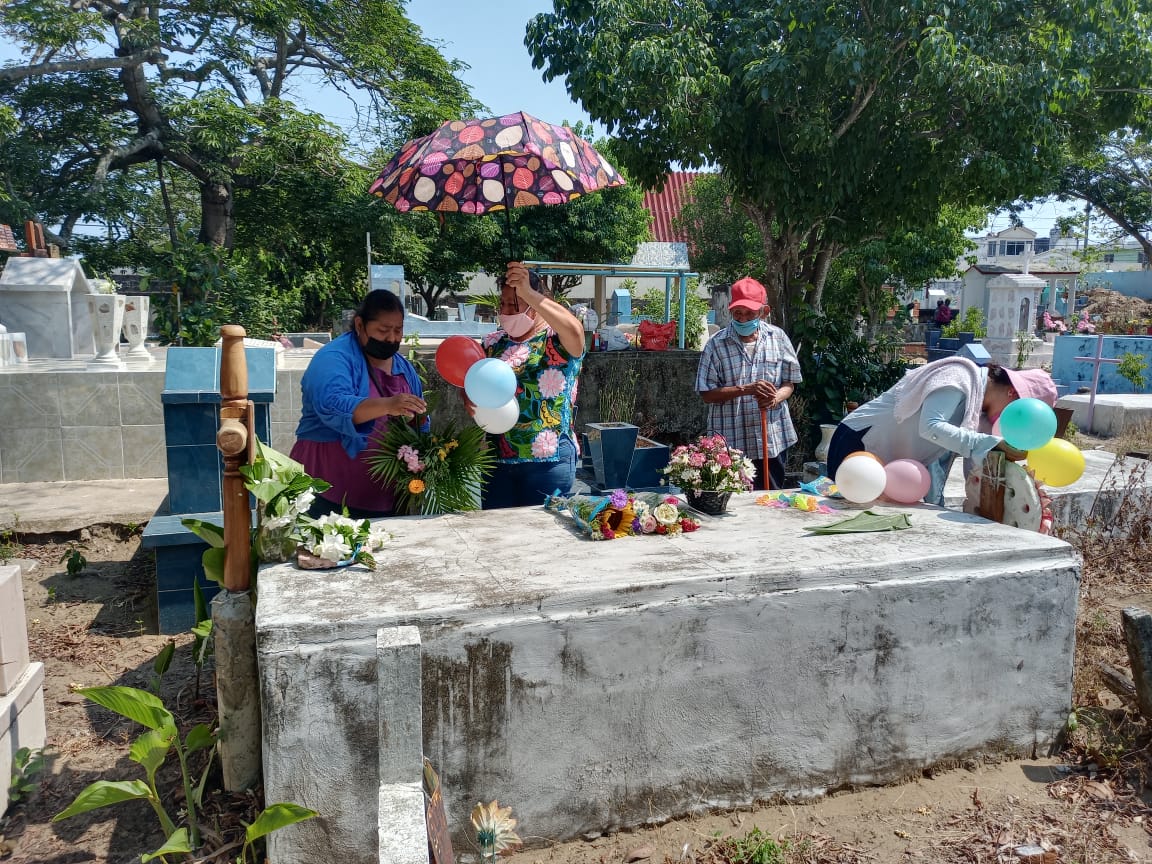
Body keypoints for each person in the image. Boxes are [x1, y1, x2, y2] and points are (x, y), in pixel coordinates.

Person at [826, 358, 1057, 506]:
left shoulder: (980, 412)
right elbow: (931, 426)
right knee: (846, 511)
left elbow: (975, 462)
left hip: (891, 463)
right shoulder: (958, 375)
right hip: (861, 440)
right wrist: (988, 443)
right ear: (1013, 394)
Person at [291, 289, 427, 518]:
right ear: (360, 325)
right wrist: (388, 405)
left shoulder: (403, 367)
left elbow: (420, 417)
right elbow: (332, 404)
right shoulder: (333, 358)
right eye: (383, 330)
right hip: (327, 490)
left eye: (398, 330)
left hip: (387, 496)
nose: (392, 339)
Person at [476, 261, 585, 509]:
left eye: (514, 305)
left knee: (543, 531)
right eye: (503, 304)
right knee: (496, 531)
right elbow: (473, 385)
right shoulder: (493, 343)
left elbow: (576, 331)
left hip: (548, 462)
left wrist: (527, 292)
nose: (506, 311)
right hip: (496, 461)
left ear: (535, 305)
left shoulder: (555, 340)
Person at [695, 277, 803, 490]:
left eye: (750, 314)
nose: (743, 319)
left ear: (764, 311)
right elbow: (706, 393)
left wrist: (775, 398)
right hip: (731, 443)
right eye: (738, 313)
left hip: (771, 438)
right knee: (732, 501)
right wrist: (746, 389)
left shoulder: (778, 338)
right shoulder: (716, 345)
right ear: (730, 310)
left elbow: (789, 383)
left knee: (770, 498)